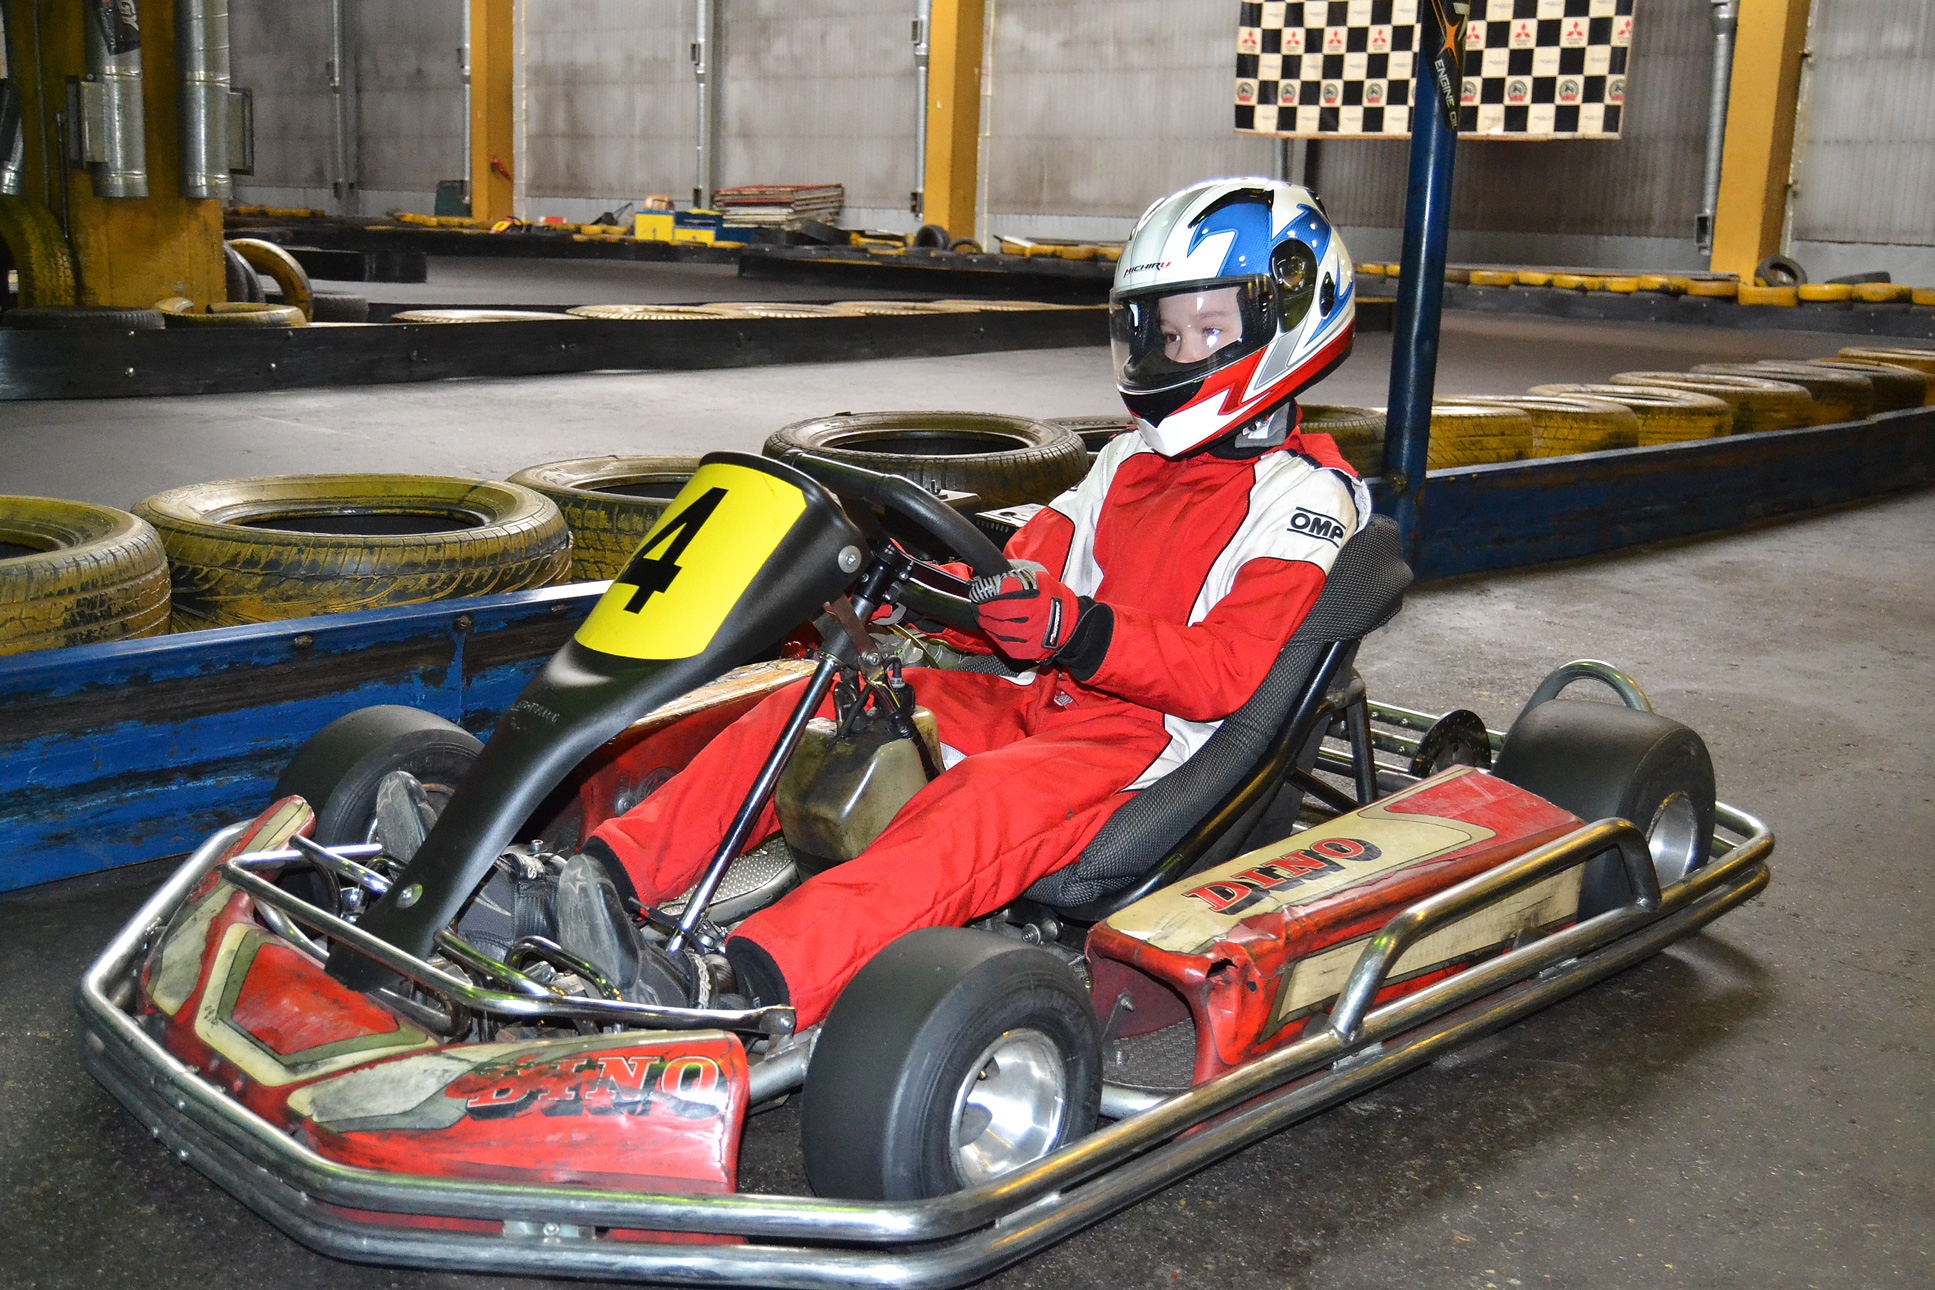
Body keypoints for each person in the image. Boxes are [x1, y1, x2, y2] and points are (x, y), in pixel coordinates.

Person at [466, 177, 1370, 1028]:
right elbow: (1025, 566)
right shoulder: (1127, 461)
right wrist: (930, 583)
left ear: (1285, 320)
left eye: (1204, 329)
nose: (1174, 353)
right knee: (819, 706)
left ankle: (739, 979)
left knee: (976, 800)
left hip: (1143, 742)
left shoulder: (1301, 499)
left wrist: (1076, 628)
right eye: (1163, 332)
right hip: (1039, 698)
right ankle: (595, 880)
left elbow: (1224, 674)